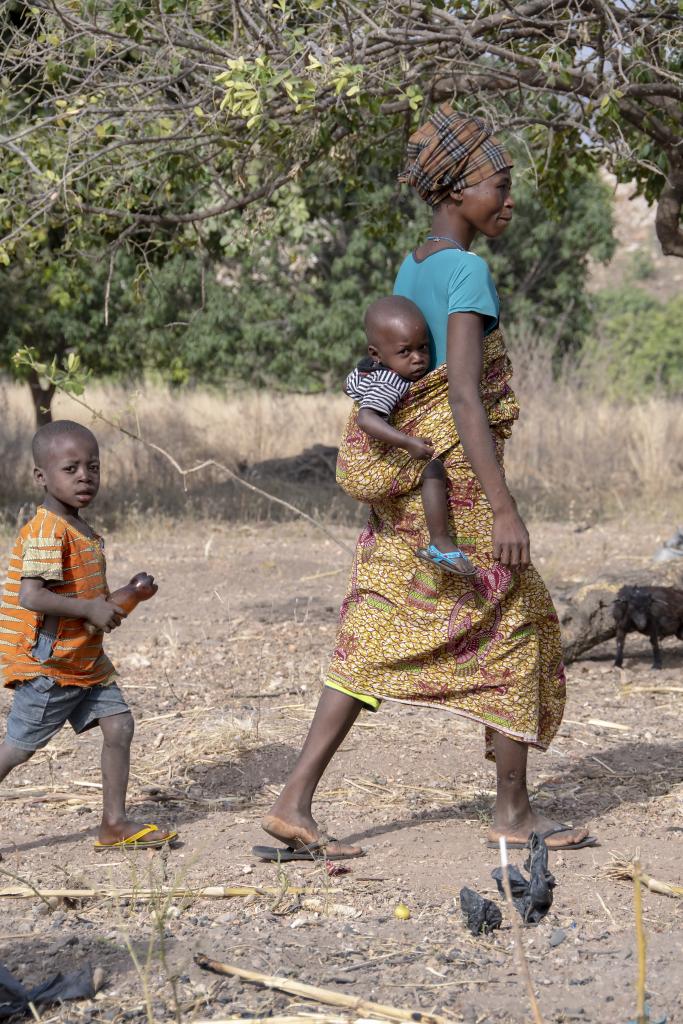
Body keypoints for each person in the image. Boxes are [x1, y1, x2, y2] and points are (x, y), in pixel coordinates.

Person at [256, 105, 595, 863]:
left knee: (372, 632)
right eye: (496, 186)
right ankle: (512, 811)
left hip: (410, 484)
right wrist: (502, 507)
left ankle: (293, 800)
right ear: (452, 188)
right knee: (518, 627)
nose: (507, 201)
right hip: (461, 486)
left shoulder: (414, 264)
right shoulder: (467, 270)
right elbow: (464, 396)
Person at [0, 420, 176, 852]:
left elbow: (93, 609)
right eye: (71, 468)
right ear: (41, 477)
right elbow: (32, 597)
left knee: (119, 725)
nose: (84, 477)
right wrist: (91, 608)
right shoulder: (47, 530)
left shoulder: (80, 530)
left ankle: (113, 824)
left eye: (92, 467)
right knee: (18, 750)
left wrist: (131, 594)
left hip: (83, 662)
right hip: (50, 666)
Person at [344, 295, 476, 576]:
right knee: (432, 468)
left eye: (423, 348)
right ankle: (440, 542)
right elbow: (366, 417)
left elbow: (351, 387)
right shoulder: (390, 380)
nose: (418, 359)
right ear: (376, 354)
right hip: (370, 465)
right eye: (405, 352)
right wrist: (408, 442)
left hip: (357, 465)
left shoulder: (369, 371)